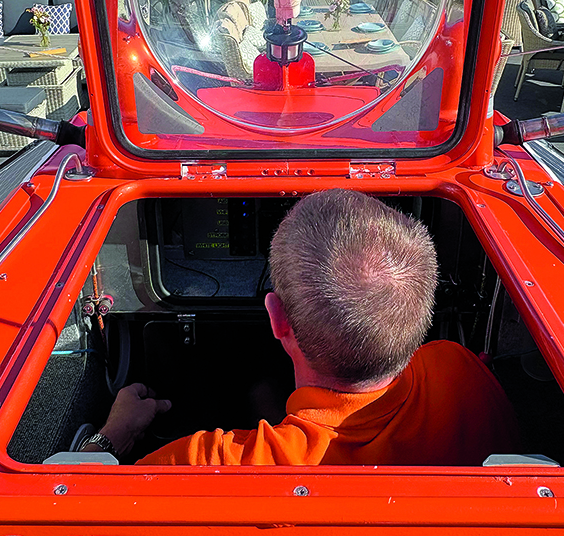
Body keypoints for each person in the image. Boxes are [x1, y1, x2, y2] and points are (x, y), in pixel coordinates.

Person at [82, 190, 519, 465]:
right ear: (420, 310)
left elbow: (75, 511)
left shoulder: (203, 461)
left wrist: (112, 437)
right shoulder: (458, 368)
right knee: (263, 392)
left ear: (276, 319)